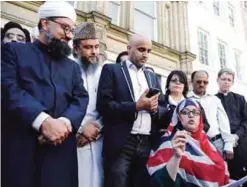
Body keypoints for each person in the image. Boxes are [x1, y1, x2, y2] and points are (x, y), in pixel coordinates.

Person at [1, 2, 89, 187]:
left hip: (60, 153)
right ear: (45, 24)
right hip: (22, 149)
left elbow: (81, 98)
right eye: (65, 28)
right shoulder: (14, 52)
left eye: (72, 30)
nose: (69, 35)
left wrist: (63, 124)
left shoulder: (72, 67)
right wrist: (43, 122)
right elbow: (8, 89)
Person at [97, 34, 165, 187]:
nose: (145, 54)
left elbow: (163, 107)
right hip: (122, 142)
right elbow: (104, 105)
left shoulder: (152, 76)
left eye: (149, 51)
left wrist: (154, 110)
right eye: (141, 49)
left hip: (146, 142)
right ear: (129, 49)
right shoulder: (112, 70)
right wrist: (136, 106)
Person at [148, 98, 229, 187]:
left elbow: (222, 171)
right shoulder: (169, 142)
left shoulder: (209, 143)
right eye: (185, 112)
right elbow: (160, 183)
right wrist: (176, 157)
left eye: (196, 112)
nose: (191, 115)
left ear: (200, 118)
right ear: (178, 116)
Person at [73, 22, 104, 187]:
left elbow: (109, 106)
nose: (94, 52)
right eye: (89, 47)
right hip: (73, 138)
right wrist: (81, 131)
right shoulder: (67, 70)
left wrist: (96, 128)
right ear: (77, 49)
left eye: (97, 47)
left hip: (98, 137)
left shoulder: (103, 73)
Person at [188, 70, 234, 159]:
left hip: (216, 143)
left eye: (205, 82)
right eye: (198, 82)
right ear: (191, 82)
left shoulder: (215, 100)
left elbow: (223, 122)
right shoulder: (186, 100)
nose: (202, 84)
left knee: (220, 172)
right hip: (195, 144)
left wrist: (229, 144)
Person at [216, 68, 247, 185]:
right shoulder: (213, 99)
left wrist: (236, 136)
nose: (226, 82)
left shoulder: (240, 99)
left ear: (232, 82)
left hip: (240, 141)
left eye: (229, 80)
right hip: (221, 142)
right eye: (223, 79)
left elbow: (246, 120)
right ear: (217, 80)